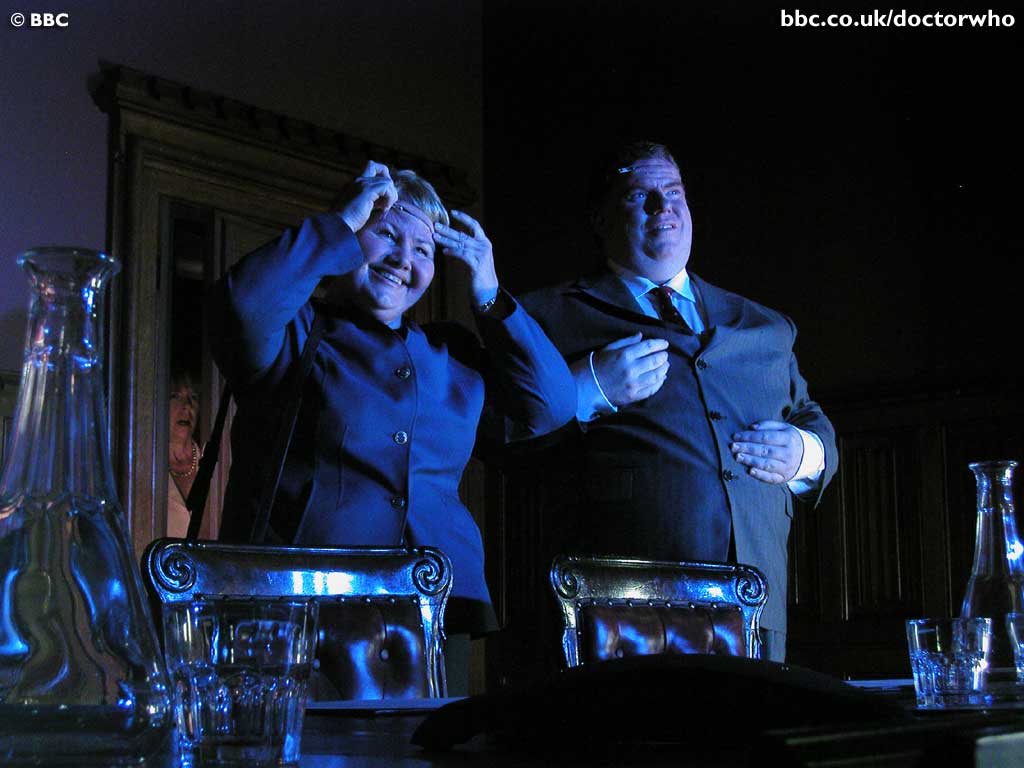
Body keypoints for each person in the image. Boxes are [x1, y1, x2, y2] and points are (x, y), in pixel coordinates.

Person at [208, 161, 575, 694]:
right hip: (304, 600)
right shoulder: (298, 331)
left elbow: (553, 405)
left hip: (438, 606)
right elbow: (241, 305)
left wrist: (490, 292)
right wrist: (341, 221)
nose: (404, 259)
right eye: (386, 234)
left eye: (423, 249)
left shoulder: (451, 354)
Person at [518, 140, 838, 664]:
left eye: (673, 193)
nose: (662, 207)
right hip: (624, 615)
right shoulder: (548, 316)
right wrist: (587, 388)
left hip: (754, 607)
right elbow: (502, 435)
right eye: (638, 195)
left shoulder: (763, 324)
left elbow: (809, 418)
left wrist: (806, 454)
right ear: (600, 218)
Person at [167, 369, 202, 538]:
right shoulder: (145, 466)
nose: (187, 406)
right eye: (175, 396)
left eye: (193, 397)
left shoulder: (216, 463)